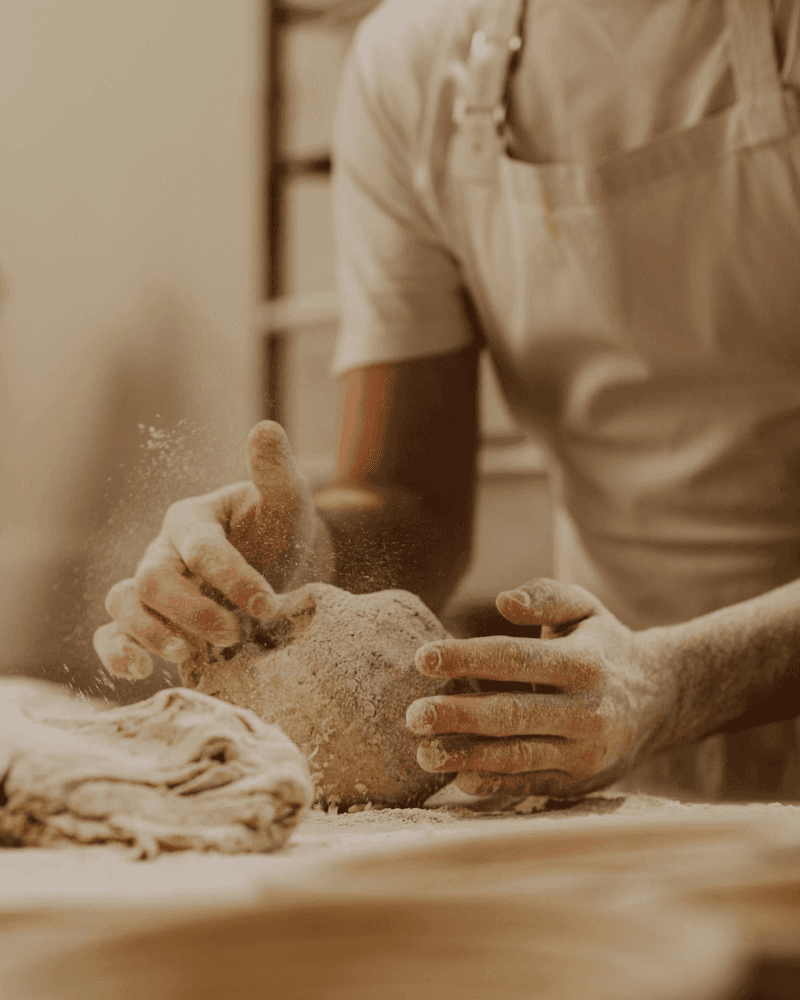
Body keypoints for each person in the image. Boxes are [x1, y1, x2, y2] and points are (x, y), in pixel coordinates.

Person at [94, 0, 800, 800]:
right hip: (601, 724)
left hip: (655, 693)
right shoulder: (414, 64)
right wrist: (302, 554)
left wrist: (679, 682)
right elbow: (412, 500)